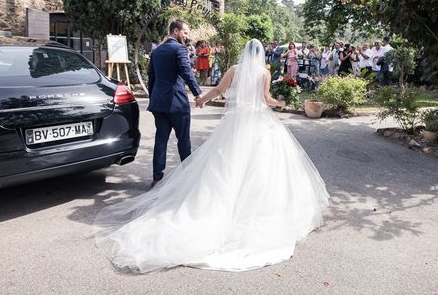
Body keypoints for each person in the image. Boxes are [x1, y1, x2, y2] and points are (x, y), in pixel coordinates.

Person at [94, 39, 330, 273]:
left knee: (225, 165)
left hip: (236, 123)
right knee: (261, 167)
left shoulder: (235, 70)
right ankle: (253, 210)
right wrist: (280, 102)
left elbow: (218, 90)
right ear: (259, 54)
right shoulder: (264, 73)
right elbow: (265, 99)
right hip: (258, 123)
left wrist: (201, 99)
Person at [146, 19, 202, 188]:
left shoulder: (157, 51)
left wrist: (153, 98)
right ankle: (189, 176)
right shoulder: (179, 49)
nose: (187, 36)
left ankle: (157, 178)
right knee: (183, 139)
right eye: (185, 33)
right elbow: (186, 72)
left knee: (161, 139)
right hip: (177, 102)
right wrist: (197, 93)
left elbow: (151, 78)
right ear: (176, 31)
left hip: (159, 103)